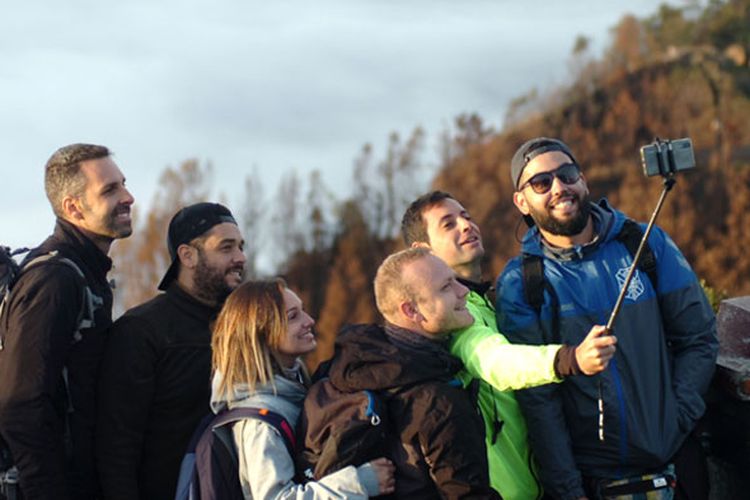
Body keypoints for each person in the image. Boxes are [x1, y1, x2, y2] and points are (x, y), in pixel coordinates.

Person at [496, 137, 718, 499]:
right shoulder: (522, 284)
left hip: (677, 463)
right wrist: (568, 490)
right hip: (595, 481)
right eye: (541, 183)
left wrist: (677, 416)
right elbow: (540, 402)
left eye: (566, 174)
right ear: (521, 201)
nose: (559, 188)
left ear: (582, 180)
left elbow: (699, 338)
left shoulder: (645, 244)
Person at [401, 191, 617, 500]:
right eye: (448, 224)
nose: (466, 225)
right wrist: (571, 359)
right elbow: (498, 361)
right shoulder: (455, 318)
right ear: (422, 252)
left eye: (466, 216)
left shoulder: (487, 301)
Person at [313, 247, 509, 499]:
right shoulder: (439, 402)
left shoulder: (343, 370)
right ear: (411, 311)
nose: (465, 292)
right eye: (447, 287)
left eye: (456, 281)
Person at [0, 143, 134, 499]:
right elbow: (21, 405)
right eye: (110, 190)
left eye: (123, 184)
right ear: (73, 207)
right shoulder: (54, 281)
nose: (129, 197)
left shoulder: (86, 275)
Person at [96, 202, 247, 499]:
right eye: (226, 248)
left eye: (241, 247)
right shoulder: (141, 330)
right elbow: (116, 445)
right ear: (188, 255)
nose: (240, 258)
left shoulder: (246, 327)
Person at [210, 278, 395, 499]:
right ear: (261, 332)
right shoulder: (258, 424)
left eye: (303, 311)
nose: (310, 320)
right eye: (293, 316)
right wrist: (359, 483)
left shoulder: (294, 391)